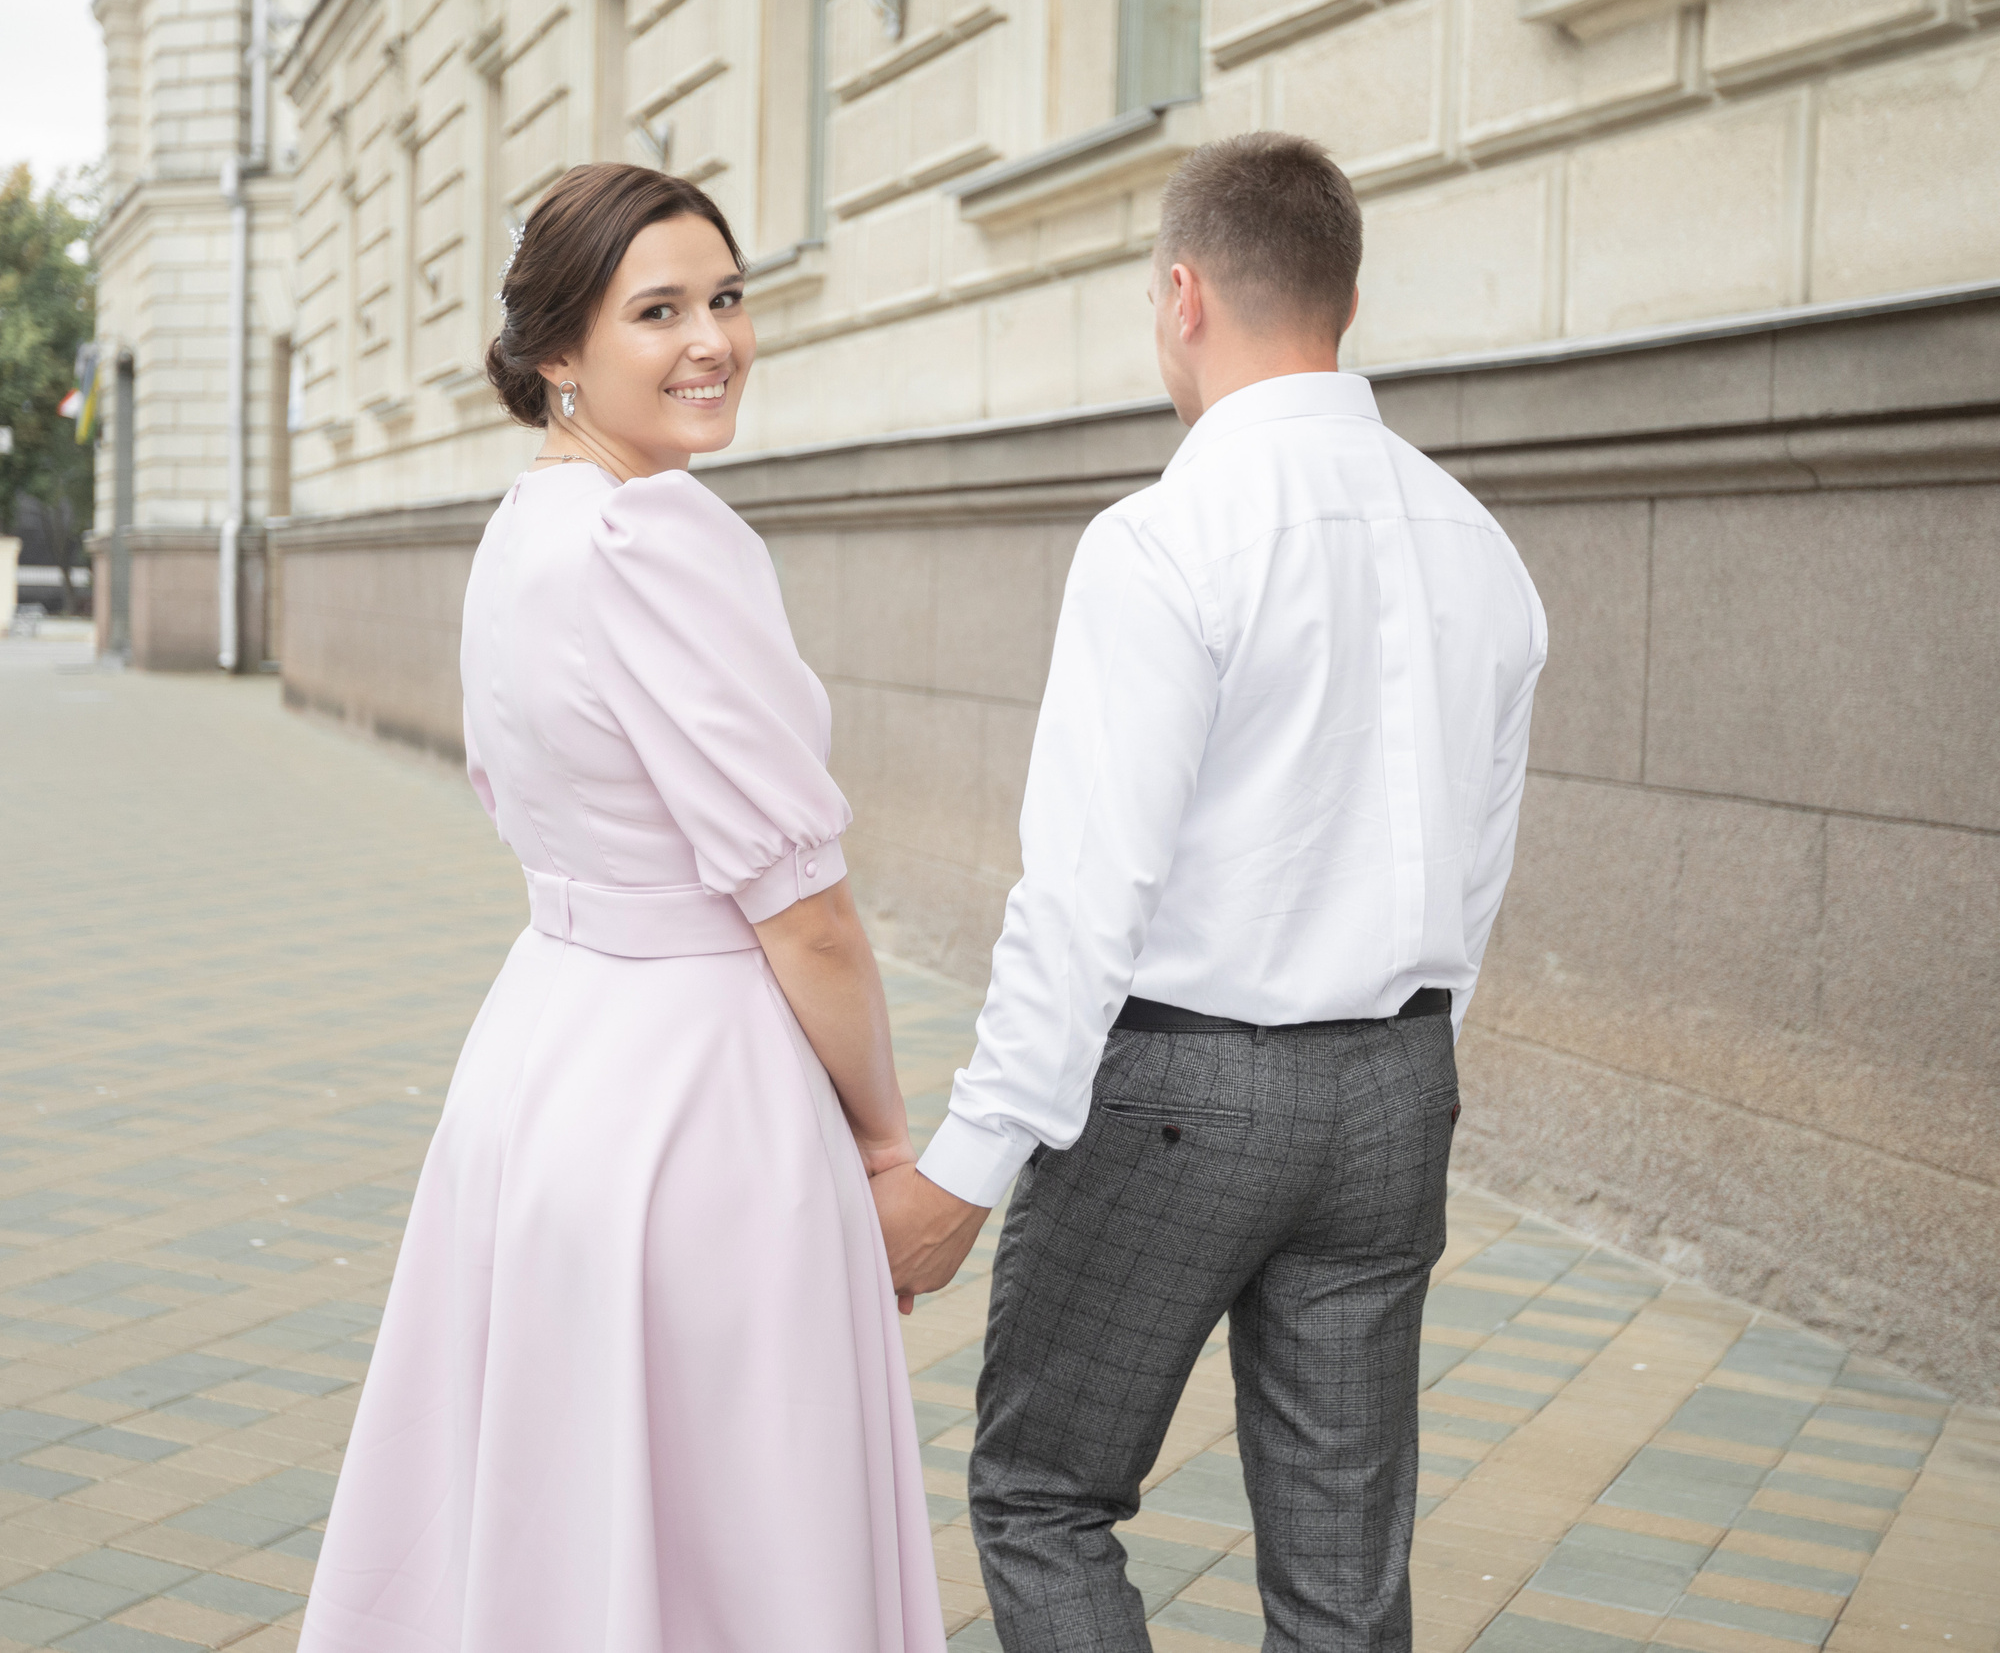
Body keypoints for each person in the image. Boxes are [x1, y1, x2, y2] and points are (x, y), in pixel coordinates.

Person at [874, 132, 1549, 1650]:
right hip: (1394, 1088)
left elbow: (1085, 893)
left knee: (1046, 1493)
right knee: (1342, 1573)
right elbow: (1481, 861)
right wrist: (1413, 1066)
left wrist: (964, 1168)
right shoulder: (1482, 547)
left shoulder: (1165, 536)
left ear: (1182, 294)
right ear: (1348, 297)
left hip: (1179, 1088)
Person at [298, 164, 944, 1653]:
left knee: (558, 1503)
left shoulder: (529, 526)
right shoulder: (664, 538)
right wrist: (886, 1134)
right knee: (734, 1524)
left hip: (542, 1055)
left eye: (727, 296)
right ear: (558, 354)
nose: (712, 338)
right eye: (657, 310)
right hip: (697, 1096)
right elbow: (808, 913)